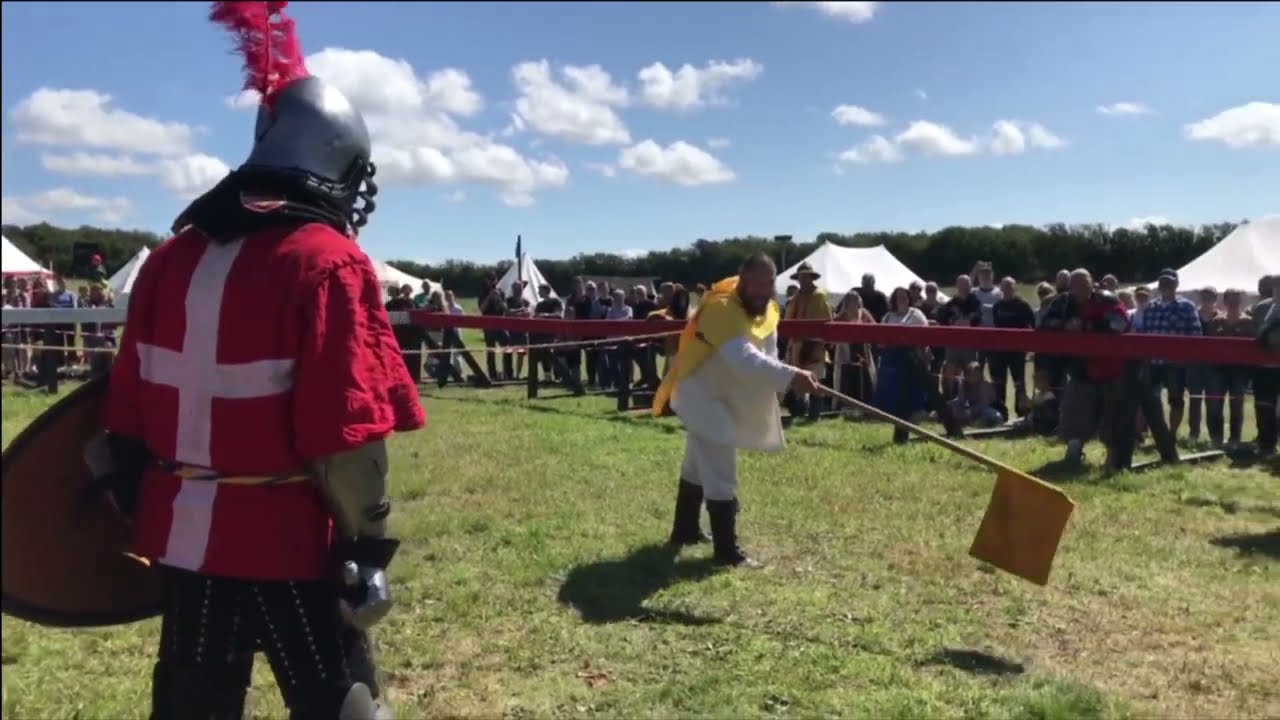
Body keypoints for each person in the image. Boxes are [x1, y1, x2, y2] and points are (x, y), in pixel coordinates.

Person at [98, 3, 424, 717]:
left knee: (194, 700)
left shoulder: (169, 259)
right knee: (340, 700)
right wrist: (368, 546)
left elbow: (121, 416)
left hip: (186, 538)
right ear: (336, 158)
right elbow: (345, 436)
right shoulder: (329, 263)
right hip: (292, 543)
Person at [653, 253, 820, 567]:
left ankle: (685, 530)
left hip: (724, 395)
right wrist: (791, 377)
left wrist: (788, 375)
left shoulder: (769, 310)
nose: (762, 290)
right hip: (698, 394)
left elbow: (768, 354)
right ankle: (726, 553)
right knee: (719, 463)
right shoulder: (720, 309)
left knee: (696, 463)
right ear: (742, 282)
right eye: (755, 284)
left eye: (768, 283)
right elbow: (742, 358)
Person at [1039, 269, 1130, 466]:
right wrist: (1065, 324)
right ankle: (1073, 452)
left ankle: (1113, 457)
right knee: (1074, 413)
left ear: (1092, 284)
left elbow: (1120, 323)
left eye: (1083, 284)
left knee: (1112, 416)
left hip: (1108, 368)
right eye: (1075, 284)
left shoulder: (1107, 300)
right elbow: (1044, 322)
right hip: (1079, 369)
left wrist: (1089, 326)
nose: (1078, 289)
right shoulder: (1062, 303)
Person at [1138, 268, 1202, 438]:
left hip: (1175, 363)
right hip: (1152, 363)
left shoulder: (1187, 306)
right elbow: (1143, 335)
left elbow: (1196, 333)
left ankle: (1171, 435)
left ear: (1177, 284)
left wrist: (1184, 357)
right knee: (1147, 399)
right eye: (1163, 282)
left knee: (1175, 400)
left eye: (1170, 282)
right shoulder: (1150, 307)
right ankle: (1148, 433)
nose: (1166, 285)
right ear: (1158, 285)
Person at [782, 262, 832, 420]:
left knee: (815, 381)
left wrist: (817, 341)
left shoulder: (820, 295)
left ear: (811, 277)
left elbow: (826, 321)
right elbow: (788, 321)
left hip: (814, 345)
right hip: (796, 344)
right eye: (800, 277)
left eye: (805, 276)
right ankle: (798, 412)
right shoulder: (795, 298)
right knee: (797, 380)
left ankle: (813, 416)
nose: (802, 280)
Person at [989, 276, 1036, 415]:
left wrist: (1030, 347)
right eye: (1004, 287)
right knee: (999, 383)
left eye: (1010, 287)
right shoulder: (997, 307)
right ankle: (1001, 413)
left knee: (1020, 384)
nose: (1007, 289)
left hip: (1017, 351)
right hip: (1000, 351)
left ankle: (1022, 413)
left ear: (1014, 288)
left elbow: (1032, 327)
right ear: (1001, 288)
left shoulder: (1023, 306)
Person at [833, 290, 876, 406]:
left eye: (856, 299)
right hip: (845, 349)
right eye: (851, 300)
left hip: (862, 348)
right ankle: (844, 404)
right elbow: (833, 330)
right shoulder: (842, 316)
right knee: (846, 376)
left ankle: (867, 403)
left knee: (865, 375)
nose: (854, 302)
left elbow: (875, 327)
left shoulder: (864, 314)